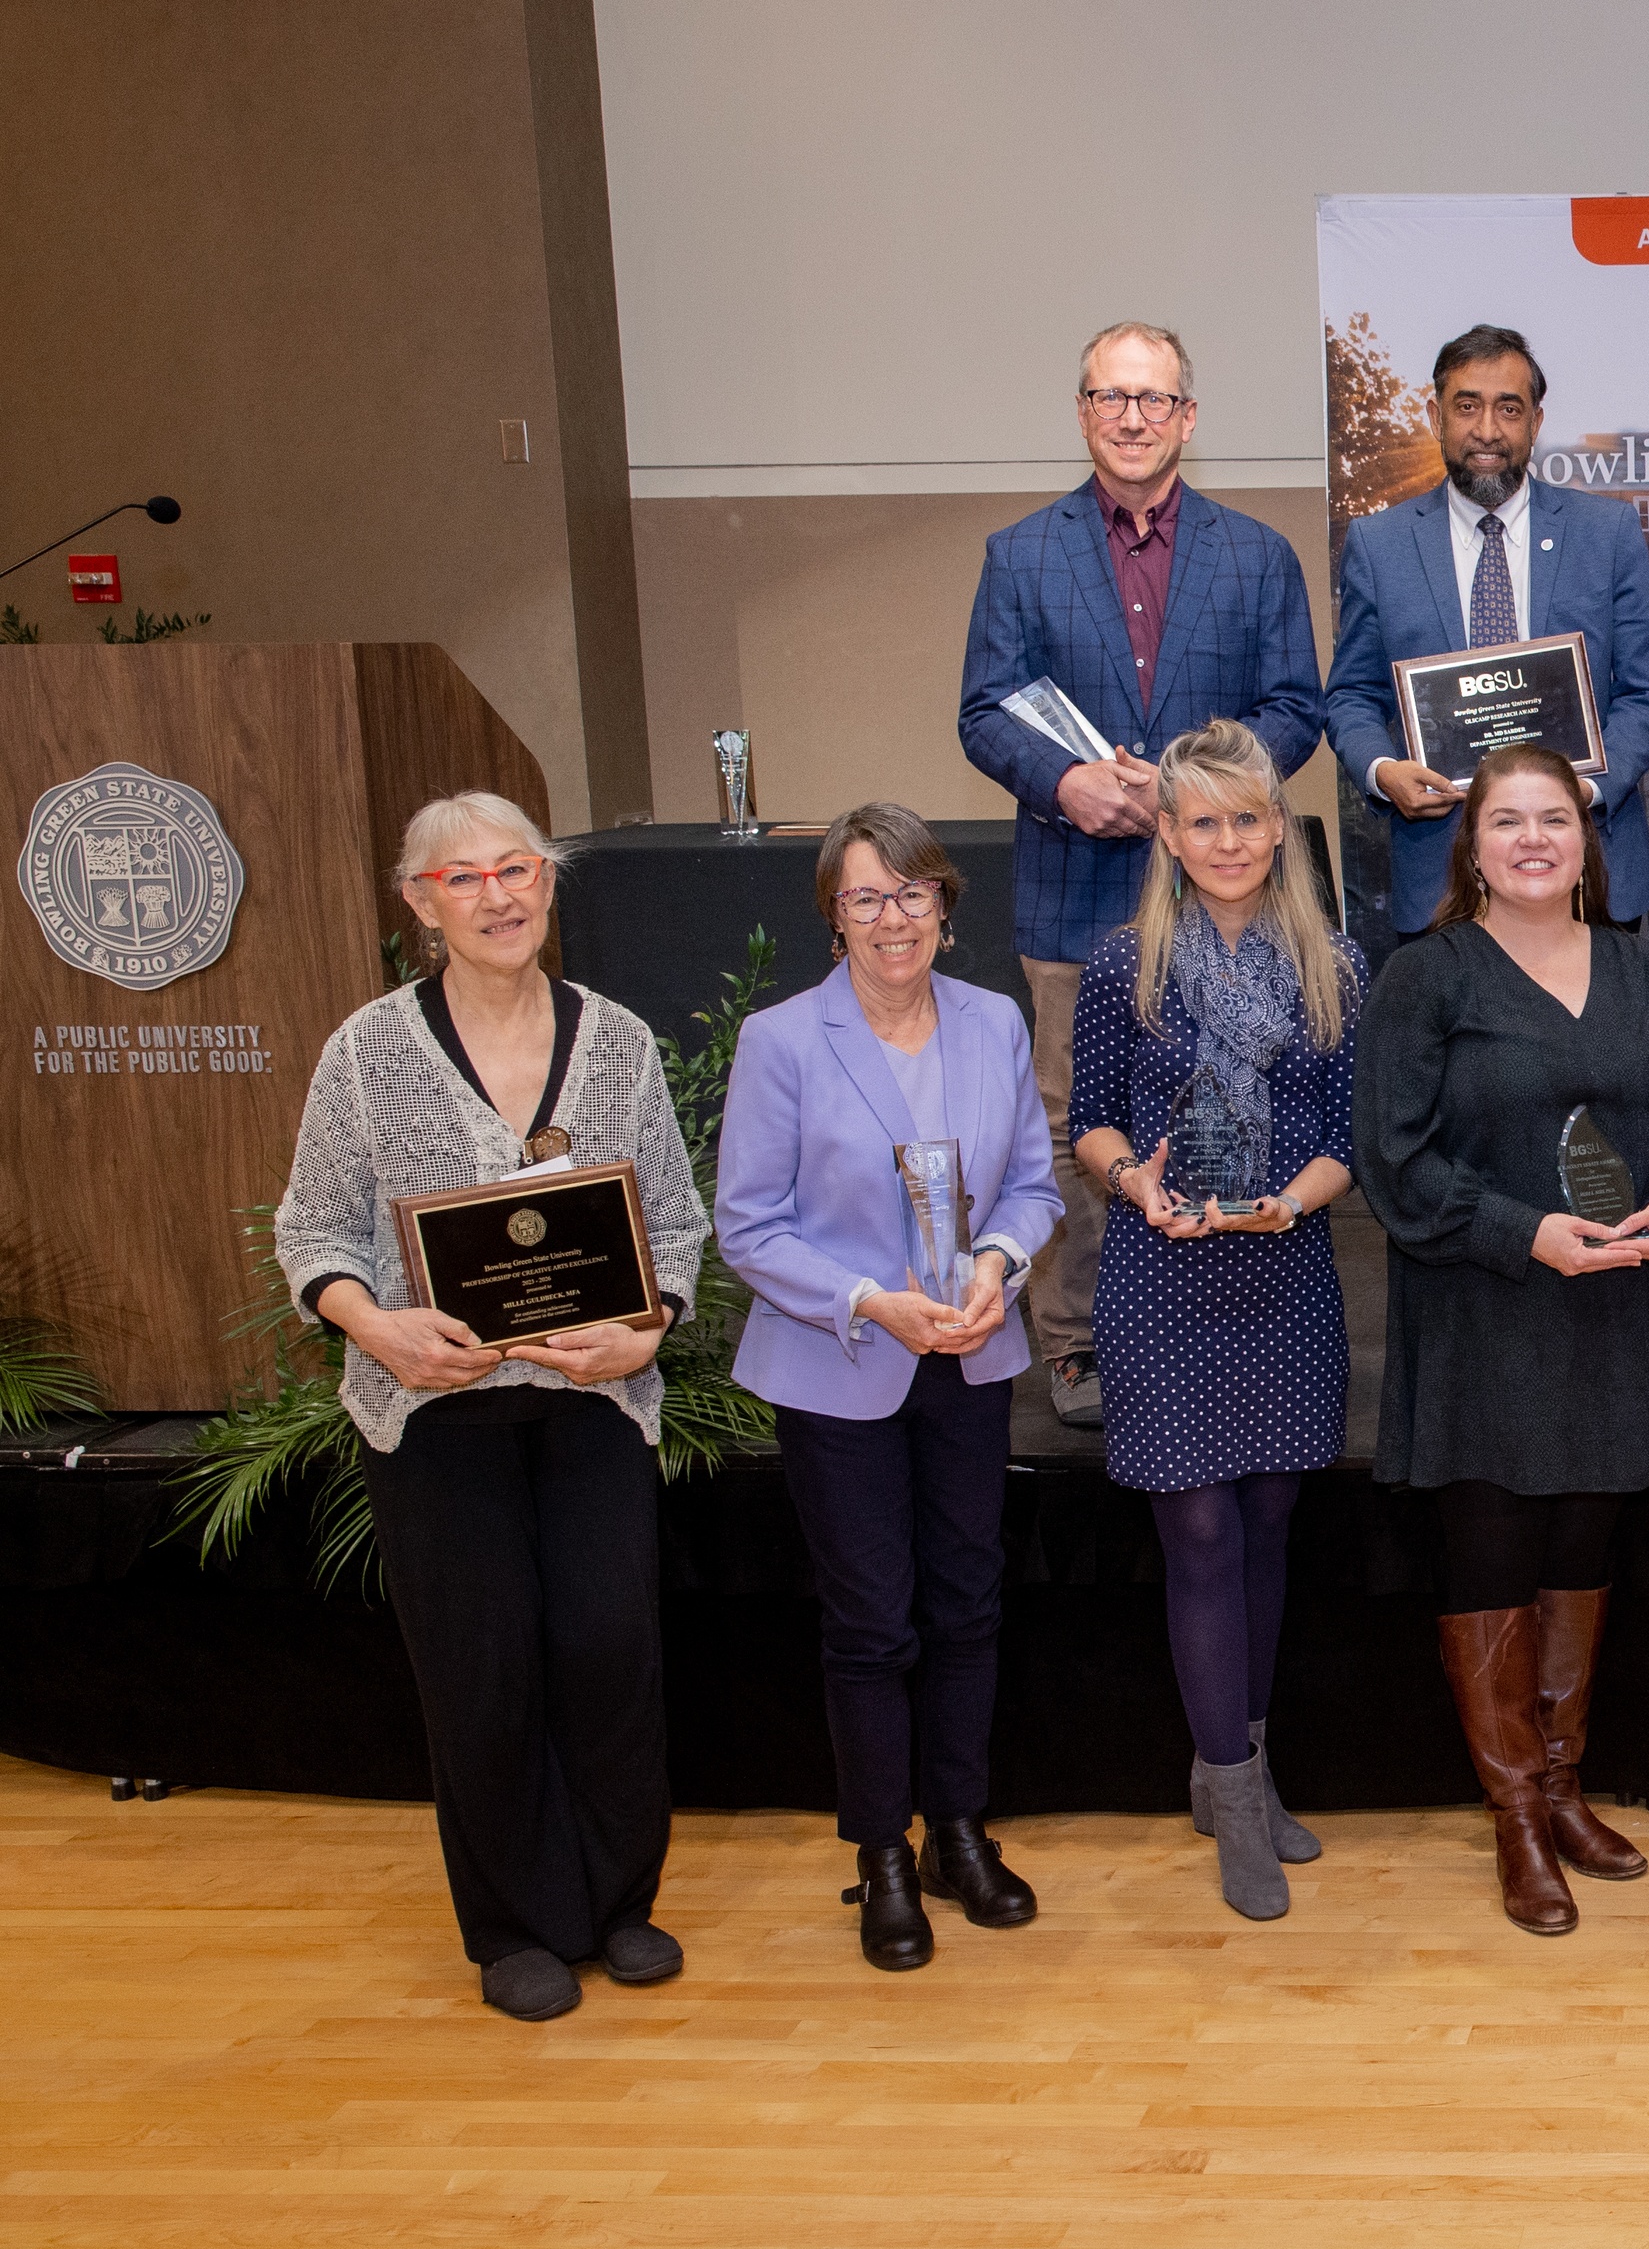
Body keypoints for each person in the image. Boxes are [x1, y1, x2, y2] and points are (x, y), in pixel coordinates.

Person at [272, 794, 705, 2022]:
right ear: (421, 903)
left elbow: (671, 1220)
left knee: (608, 1654)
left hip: (590, 1404)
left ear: (550, 884)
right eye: (463, 878)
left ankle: (621, 1902)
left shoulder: (614, 1040)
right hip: (435, 1414)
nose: (498, 895)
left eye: (518, 869)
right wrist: (376, 1325)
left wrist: (648, 1323)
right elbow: (311, 1228)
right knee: (482, 1667)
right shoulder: (365, 1051)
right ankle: (514, 1924)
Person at [1355, 742, 1649, 1935]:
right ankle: (1514, 1819)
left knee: (1583, 1543)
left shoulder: (1639, 966)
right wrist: (1524, 1234)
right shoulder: (1427, 976)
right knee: (1494, 1556)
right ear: (1472, 846)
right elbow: (1395, 1167)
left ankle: (1562, 1788)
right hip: (1484, 1308)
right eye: (1504, 820)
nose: (1530, 839)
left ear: (1586, 837)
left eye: (1551, 818)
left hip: (1614, 1308)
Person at [958, 320, 1326, 1427]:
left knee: (1237, 1101)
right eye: (1110, 397)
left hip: (1226, 892)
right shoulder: (1020, 554)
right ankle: (1074, 1339)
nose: (1131, 416)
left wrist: (1189, 796)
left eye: (1153, 399)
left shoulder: (1258, 554)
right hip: (1075, 889)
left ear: (1188, 417)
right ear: (1082, 412)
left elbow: (1296, 710)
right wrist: (1065, 782)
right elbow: (985, 711)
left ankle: (1218, 1321)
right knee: (1080, 1120)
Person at [717, 805, 1062, 1970]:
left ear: (944, 908)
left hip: (968, 1349)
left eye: (912, 894)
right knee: (871, 1622)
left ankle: (960, 1833)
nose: (892, 918)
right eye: (865, 898)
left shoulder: (993, 1022)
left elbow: (1032, 1186)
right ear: (833, 916)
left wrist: (998, 1263)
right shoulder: (783, 1042)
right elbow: (747, 1228)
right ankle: (881, 1853)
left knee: (967, 1601)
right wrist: (870, 1301)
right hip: (841, 1364)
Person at [1065, 723, 1365, 1921]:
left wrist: (1288, 1203)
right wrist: (1133, 1180)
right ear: (1171, 836)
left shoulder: (1333, 960)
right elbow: (1089, 1120)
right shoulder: (1120, 965)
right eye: (1204, 821)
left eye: (1249, 819)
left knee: (1270, 1521)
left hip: (1283, 1268)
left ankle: (1235, 1757)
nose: (1229, 841)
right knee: (1197, 1531)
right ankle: (1237, 1800)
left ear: (1278, 830)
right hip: (1163, 1271)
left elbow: (1344, 1143)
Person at [1327, 323, 1649, 940]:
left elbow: (1645, 694)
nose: (1487, 430)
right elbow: (1352, 694)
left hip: (1589, 874)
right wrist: (1383, 771)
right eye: (1467, 406)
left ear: (1535, 423)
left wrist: (1585, 793)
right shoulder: (1379, 547)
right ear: (1436, 416)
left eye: (1508, 409)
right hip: (1440, 877)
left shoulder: (1608, 534)